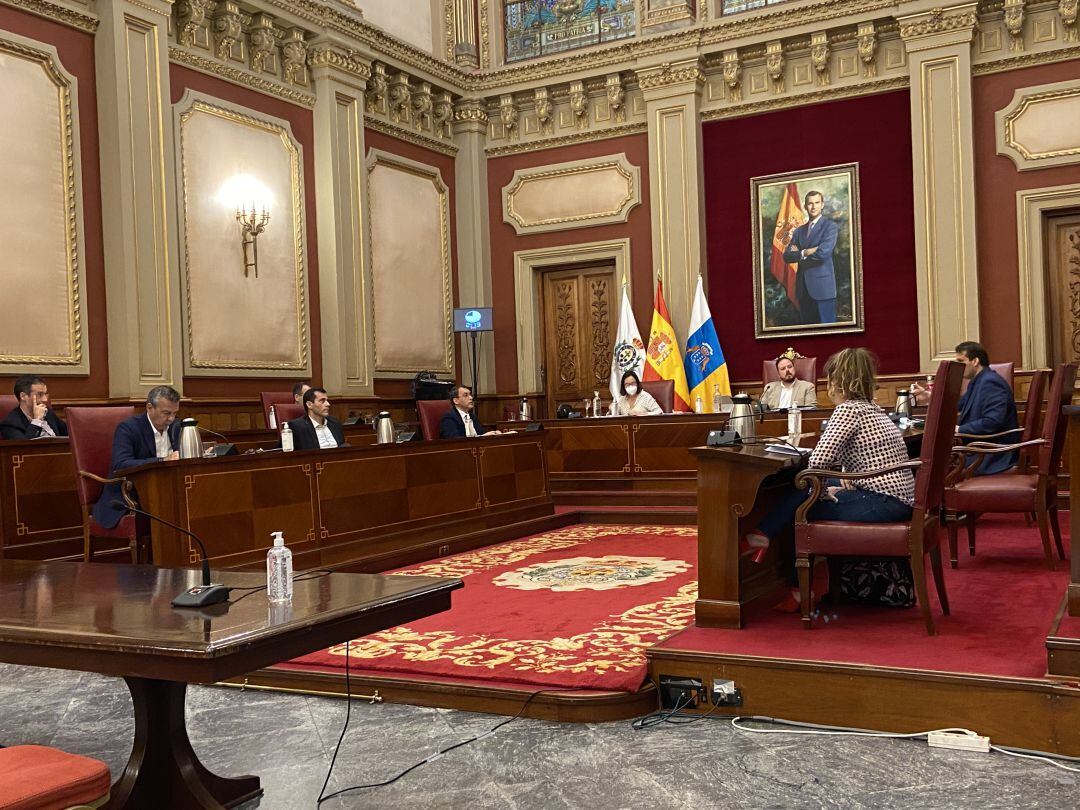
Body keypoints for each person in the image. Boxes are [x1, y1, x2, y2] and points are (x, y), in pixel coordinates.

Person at [745, 348, 915, 611]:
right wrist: (836, 483)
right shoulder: (873, 408)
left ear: (838, 381)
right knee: (808, 492)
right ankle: (764, 536)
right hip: (895, 498)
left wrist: (825, 488)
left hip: (882, 500)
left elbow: (817, 462)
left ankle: (786, 571)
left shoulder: (848, 410)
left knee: (801, 504)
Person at [911, 341, 1018, 476]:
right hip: (978, 448)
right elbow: (959, 404)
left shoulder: (991, 382)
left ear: (975, 361)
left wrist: (958, 429)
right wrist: (930, 397)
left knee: (928, 461)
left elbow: (992, 422)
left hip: (991, 454)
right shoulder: (979, 380)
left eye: (961, 360)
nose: (959, 365)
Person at [92, 386, 182, 530]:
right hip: (134, 493)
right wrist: (161, 461)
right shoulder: (128, 428)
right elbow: (121, 464)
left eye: (175, 413)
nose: (171, 419)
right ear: (149, 407)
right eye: (166, 413)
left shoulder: (177, 426)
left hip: (169, 489)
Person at [782, 190, 839, 324]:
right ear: (805, 206)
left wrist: (799, 253)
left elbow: (822, 254)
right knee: (808, 333)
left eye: (817, 203)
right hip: (803, 289)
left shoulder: (830, 227)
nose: (813, 207)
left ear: (822, 205)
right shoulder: (799, 231)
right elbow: (787, 256)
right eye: (810, 203)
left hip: (823, 289)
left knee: (828, 331)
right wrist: (805, 252)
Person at [0, 375, 68, 440]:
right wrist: (37, 420)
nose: (45, 399)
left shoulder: (47, 412)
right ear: (23, 396)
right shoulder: (10, 424)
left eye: (45, 394)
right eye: (40, 394)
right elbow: (24, 448)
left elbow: (69, 433)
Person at [438, 385, 505, 439]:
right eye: (466, 395)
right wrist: (482, 437)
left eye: (470, 395)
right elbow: (455, 440)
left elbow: (481, 434)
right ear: (456, 401)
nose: (471, 398)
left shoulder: (472, 416)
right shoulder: (449, 418)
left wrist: (494, 434)